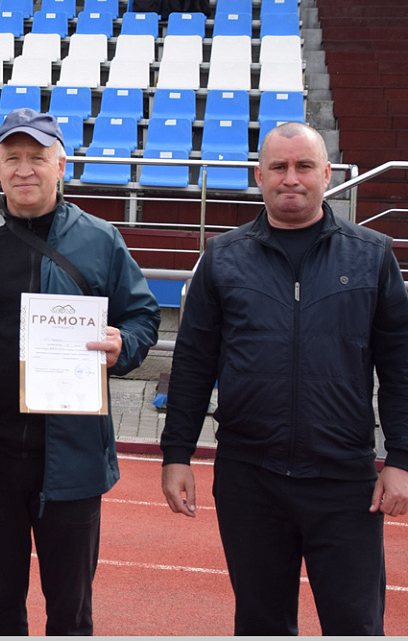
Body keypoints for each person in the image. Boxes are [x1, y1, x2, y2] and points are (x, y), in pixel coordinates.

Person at [0, 107, 160, 635]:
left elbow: (142, 317)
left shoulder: (100, 239)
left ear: (61, 164)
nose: (25, 169)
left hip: (71, 457)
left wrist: (123, 344)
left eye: (37, 157)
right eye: (12, 157)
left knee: (70, 611)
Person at [161, 121, 408, 635]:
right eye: (278, 167)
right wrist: (177, 454)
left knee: (357, 625)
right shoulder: (223, 258)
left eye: (302, 167)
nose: (290, 178)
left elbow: (400, 364)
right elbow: (192, 363)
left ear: (327, 173)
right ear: (260, 175)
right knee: (261, 624)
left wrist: (402, 458)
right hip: (250, 478)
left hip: (344, 482)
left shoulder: (372, 255)